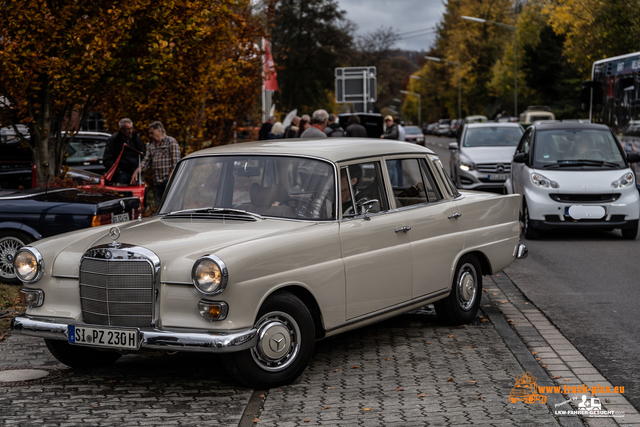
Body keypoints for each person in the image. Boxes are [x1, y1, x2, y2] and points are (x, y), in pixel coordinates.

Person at [131, 121, 181, 208]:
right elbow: (145, 162)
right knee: (159, 208)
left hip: (168, 182)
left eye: (151, 133)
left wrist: (170, 178)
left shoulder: (171, 142)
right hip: (157, 183)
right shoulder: (152, 146)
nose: (150, 135)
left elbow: (176, 163)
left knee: (171, 207)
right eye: (149, 133)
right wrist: (136, 171)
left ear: (159, 130)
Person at [102, 118, 144, 185]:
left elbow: (142, 155)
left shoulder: (136, 138)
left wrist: (138, 170)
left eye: (131, 128)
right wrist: (118, 171)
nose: (130, 131)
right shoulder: (114, 140)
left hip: (135, 172)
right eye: (127, 129)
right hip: (121, 174)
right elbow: (107, 159)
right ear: (121, 129)